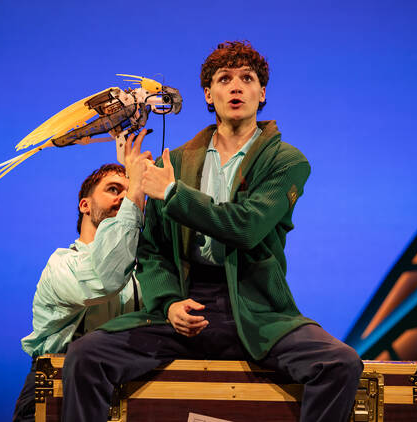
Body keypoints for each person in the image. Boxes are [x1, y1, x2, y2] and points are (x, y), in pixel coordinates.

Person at [62, 40, 363, 422]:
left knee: (339, 364)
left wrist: (172, 193)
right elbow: (151, 250)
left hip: (255, 308)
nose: (235, 86)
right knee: (87, 355)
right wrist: (169, 303)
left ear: (261, 93)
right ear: (209, 93)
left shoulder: (287, 161)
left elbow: (247, 226)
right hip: (188, 304)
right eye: (224, 79)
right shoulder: (177, 160)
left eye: (246, 78)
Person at [12, 134, 153, 422]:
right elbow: (105, 276)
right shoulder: (61, 264)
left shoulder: (145, 269)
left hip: (128, 388)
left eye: (128, 193)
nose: (123, 199)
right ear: (84, 205)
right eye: (114, 189)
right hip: (57, 387)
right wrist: (136, 191)